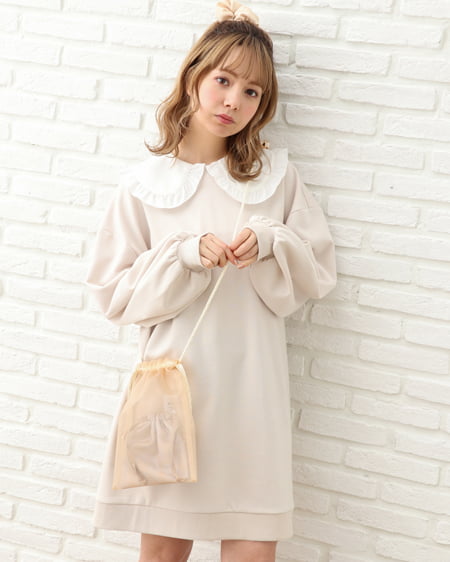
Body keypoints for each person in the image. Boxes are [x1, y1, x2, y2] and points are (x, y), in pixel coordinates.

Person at [85, 1, 337, 560]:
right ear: (193, 77)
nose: (233, 101)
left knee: (252, 547)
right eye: (223, 80)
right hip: (174, 393)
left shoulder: (276, 177)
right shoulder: (144, 185)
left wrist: (271, 241)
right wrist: (182, 255)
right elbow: (113, 293)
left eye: (252, 92)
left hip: (252, 391)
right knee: (162, 551)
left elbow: (317, 271)